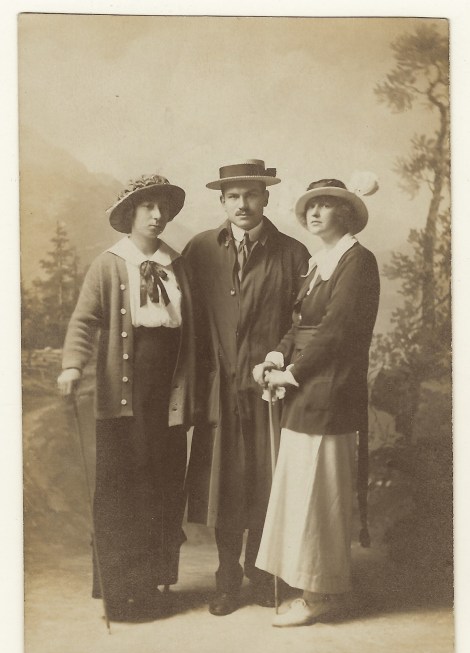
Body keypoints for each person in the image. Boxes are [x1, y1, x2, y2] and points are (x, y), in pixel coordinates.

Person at [57, 173, 197, 622]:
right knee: (123, 489)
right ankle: (121, 592)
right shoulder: (110, 264)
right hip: (125, 392)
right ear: (130, 213)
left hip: (167, 392)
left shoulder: (178, 264)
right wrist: (73, 365)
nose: (157, 216)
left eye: (163, 208)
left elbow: (193, 328)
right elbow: (84, 320)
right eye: (148, 207)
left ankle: (154, 583)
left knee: (163, 485)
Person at [253, 174, 380, 627]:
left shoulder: (357, 261)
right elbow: (300, 324)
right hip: (307, 387)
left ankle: (322, 595)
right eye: (310, 205)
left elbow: (337, 330)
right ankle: (312, 587)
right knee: (301, 489)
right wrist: (275, 356)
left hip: (332, 389)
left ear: (345, 213)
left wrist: (292, 373)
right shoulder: (318, 262)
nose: (314, 212)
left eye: (325, 205)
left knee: (320, 492)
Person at [183, 159, 310, 616]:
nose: (243, 204)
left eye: (251, 194)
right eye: (233, 196)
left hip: (269, 390)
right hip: (219, 390)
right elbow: (188, 320)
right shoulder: (199, 250)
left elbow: (303, 322)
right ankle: (226, 579)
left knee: (265, 482)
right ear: (222, 201)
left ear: (266, 198)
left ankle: (260, 575)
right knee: (225, 486)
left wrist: (277, 360)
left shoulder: (293, 254)